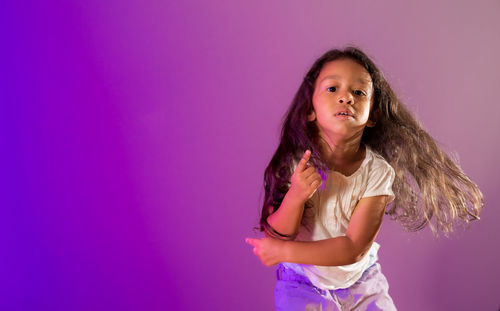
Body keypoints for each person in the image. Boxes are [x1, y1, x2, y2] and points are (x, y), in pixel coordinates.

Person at [245, 46, 484, 310]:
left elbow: (353, 247)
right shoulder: (295, 163)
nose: (346, 97)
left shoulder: (378, 173)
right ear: (309, 110)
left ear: (372, 115)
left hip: (361, 282)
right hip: (302, 283)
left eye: (358, 92)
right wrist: (296, 196)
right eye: (332, 89)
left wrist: (284, 253)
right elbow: (278, 233)